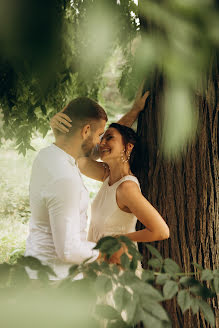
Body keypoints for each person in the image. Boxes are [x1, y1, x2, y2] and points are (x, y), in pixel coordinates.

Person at [25, 93, 148, 280]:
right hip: (56, 280)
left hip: (40, 270)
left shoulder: (46, 157)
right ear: (85, 131)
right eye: (100, 135)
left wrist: (134, 111)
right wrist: (108, 253)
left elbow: (106, 146)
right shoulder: (65, 176)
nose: (101, 142)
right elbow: (68, 249)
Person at [51, 95, 170, 270]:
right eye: (102, 137)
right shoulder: (108, 177)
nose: (102, 143)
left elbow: (161, 231)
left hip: (117, 271)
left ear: (128, 147)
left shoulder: (126, 187)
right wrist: (59, 127)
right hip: (97, 268)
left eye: (109, 138)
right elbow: (74, 155)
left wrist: (119, 240)